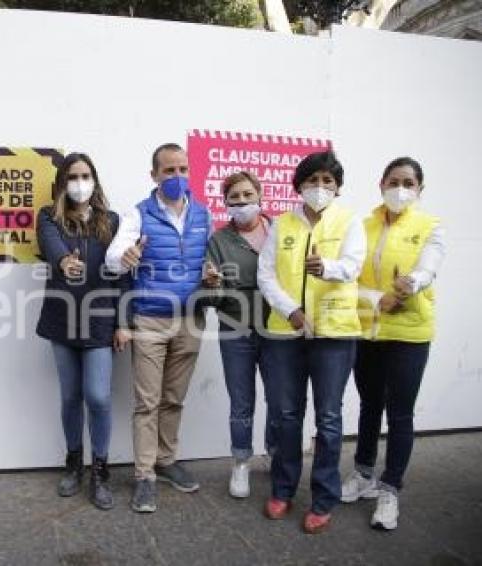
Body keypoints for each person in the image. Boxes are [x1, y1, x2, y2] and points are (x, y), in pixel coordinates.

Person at [257, 150, 365, 534]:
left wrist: (328, 268)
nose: (320, 188)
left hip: (334, 333)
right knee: (286, 415)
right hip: (286, 333)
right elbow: (266, 275)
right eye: (312, 181)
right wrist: (292, 311)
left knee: (329, 418)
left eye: (328, 182)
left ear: (337, 187)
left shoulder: (349, 221)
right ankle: (282, 490)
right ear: (299, 185)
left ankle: (323, 498)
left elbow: (354, 264)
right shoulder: (282, 224)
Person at [105, 143, 214, 513]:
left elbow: (210, 261)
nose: (177, 177)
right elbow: (113, 259)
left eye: (182, 169)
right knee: (147, 402)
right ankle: (144, 476)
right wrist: (126, 257)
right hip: (150, 319)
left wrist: (212, 277)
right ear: (154, 175)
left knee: (173, 398)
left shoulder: (203, 214)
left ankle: (166, 460)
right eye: (169, 171)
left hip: (190, 319)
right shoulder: (137, 215)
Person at [341, 157, 445, 531]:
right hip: (368, 330)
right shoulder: (362, 225)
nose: (400, 188)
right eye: (394, 181)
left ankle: (390, 489)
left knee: (400, 413)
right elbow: (350, 274)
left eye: (409, 182)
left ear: (419, 189)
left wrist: (410, 284)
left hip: (408, 332)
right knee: (370, 404)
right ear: (381, 183)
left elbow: (428, 266)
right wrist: (376, 299)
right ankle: (364, 474)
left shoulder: (430, 226)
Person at [35, 152, 130, 510]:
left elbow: (124, 273)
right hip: (62, 319)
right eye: (72, 176)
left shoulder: (112, 221)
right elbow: (51, 244)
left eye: (85, 175)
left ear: (95, 180)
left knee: (99, 397)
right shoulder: (50, 216)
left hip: (101, 321)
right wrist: (63, 261)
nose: (79, 182)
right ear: (62, 183)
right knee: (70, 397)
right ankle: (74, 463)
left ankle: (100, 471)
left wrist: (123, 322)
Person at [202, 171, 277, 499]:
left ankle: (276, 455)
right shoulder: (218, 241)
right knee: (241, 401)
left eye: (248, 195)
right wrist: (213, 284)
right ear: (226, 204)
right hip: (236, 330)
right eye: (235, 198)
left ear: (260, 195)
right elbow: (212, 299)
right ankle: (241, 462)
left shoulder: (280, 231)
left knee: (279, 399)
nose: (242, 203)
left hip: (278, 330)